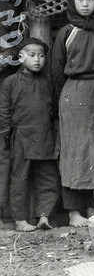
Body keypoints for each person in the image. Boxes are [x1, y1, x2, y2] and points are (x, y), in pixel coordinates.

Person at [52, 0, 94, 228]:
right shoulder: (67, 32)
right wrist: (63, 99)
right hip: (74, 92)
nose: (85, 4)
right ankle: (73, 211)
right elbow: (57, 70)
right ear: (72, 1)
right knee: (75, 152)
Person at [0, 39, 59, 232]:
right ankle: (20, 220)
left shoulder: (47, 82)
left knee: (48, 177)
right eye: (32, 55)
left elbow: (53, 110)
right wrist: (8, 133)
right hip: (21, 137)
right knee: (20, 179)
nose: (37, 60)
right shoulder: (10, 82)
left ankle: (44, 216)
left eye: (41, 56)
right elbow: (4, 110)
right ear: (21, 57)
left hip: (44, 137)